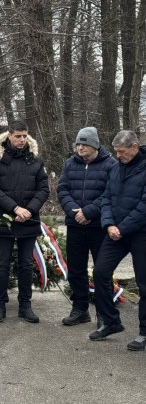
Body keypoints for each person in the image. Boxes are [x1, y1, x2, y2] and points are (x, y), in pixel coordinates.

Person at [0, 120, 49, 324]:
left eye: (24, 136)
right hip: (5, 220)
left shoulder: (36, 159)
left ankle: (25, 306)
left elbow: (43, 189)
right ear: (9, 135)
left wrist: (29, 210)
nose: (21, 140)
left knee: (26, 265)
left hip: (29, 220)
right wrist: (15, 208)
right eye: (17, 136)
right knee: (2, 264)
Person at [90, 130, 146, 351]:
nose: (118, 156)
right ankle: (111, 322)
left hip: (140, 233)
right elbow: (106, 198)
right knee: (101, 272)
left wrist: (121, 228)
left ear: (134, 147)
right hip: (116, 232)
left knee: (144, 284)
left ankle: (144, 332)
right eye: (116, 152)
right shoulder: (115, 168)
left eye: (122, 152)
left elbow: (144, 207)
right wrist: (109, 224)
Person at [57, 127, 116, 326]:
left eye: (84, 144)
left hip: (99, 226)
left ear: (94, 145)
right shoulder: (69, 164)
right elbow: (62, 189)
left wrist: (89, 212)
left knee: (102, 272)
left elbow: (111, 193)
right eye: (78, 144)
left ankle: (104, 314)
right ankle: (80, 309)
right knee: (75, 270)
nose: (80, 147)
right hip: (75, 225)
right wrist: (74, 210)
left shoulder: (110, 164)